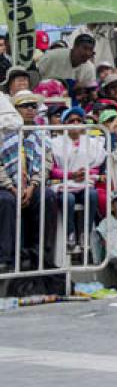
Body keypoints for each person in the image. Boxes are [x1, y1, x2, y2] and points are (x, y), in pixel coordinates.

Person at [0, 90, 57, 270]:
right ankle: (5, 259)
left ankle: (41, 254)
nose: (31, 109)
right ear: (15, 109)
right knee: (6, 201)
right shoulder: (3, 132)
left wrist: (33, 185)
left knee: (47, 196)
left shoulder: (42, 135)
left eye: (34, 106)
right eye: (25, 105)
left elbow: (46, 164)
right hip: (6, 186)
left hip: (31, 185)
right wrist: (12, 187)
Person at [50, 106, 105, 250]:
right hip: (64, 184)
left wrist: (85, 173)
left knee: (92, 195)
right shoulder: (54, 143)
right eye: (71, 120)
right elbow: (53, 170)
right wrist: (71, 175)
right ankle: (70, 233)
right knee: (68, 199)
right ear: (64, 124)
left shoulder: (92, 142)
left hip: (85, 182)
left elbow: (96, 165)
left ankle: (85, 234)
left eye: (79, 120)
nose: (75, 123)